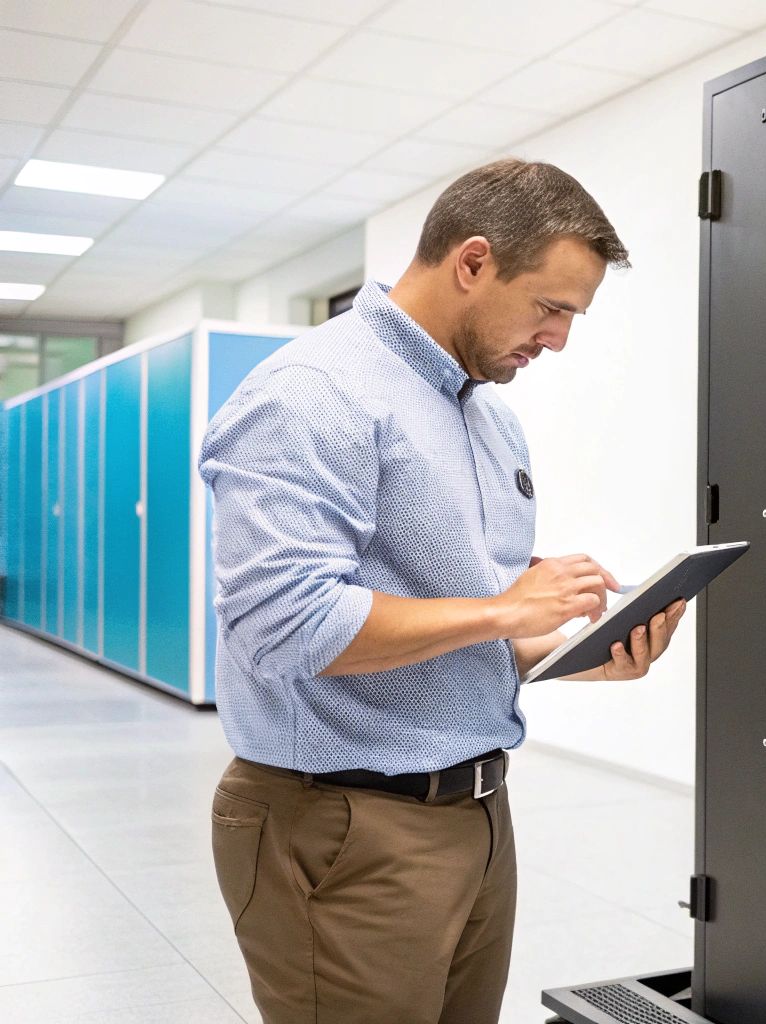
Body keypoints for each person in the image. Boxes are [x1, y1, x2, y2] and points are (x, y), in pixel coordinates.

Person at [198, 158, 680, 1024]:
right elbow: (281, 625)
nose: (560, 339)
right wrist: (506, 610)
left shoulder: (488, 412)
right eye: (551, 307)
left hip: (478, 815)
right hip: (344, 825)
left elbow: (459, 621)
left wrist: (565, 651)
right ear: (473, 261)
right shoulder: (313, 394)